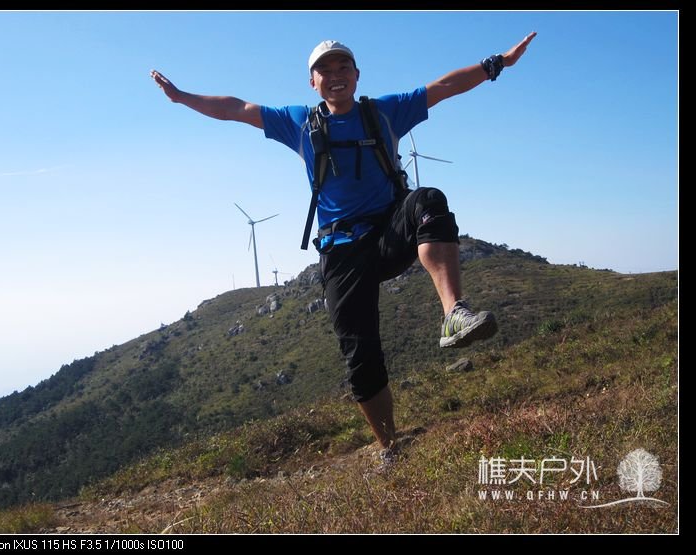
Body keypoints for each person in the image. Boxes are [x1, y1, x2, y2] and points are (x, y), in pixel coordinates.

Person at [151, 32, 536, 468]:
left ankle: (453, 313)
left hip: (390, 232)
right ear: (312, 82)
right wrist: (182, 97)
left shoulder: (384, 112)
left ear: (356, 75)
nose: (335, 75)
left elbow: (444, 87)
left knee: (429, 200)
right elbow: (236, 109)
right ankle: (390, 446)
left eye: (343, 67)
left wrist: (496, 63)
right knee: (360, 356)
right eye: (325, 70)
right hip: (341, 251)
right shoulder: (299, 122)